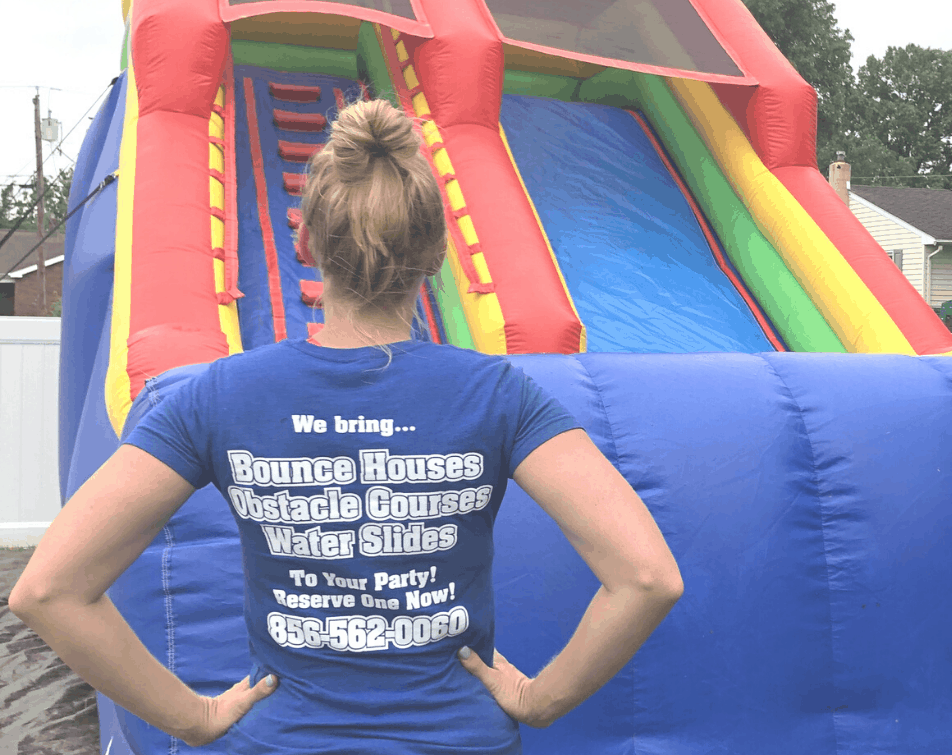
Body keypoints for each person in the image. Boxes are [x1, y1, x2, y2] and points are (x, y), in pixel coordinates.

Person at [11, 98, 683, 753]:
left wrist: (191, 718)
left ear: (307, 241)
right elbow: (647, 578)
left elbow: (49, 590)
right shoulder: (497, 394)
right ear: (435, 252)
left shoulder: (219, 395)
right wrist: (541, 701)